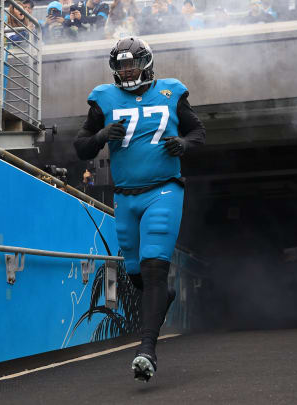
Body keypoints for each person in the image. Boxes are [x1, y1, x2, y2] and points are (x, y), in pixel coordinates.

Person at [73, 37, 205, 382]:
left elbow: (198, 132)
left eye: (133, 65)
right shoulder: (103, 99)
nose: (128, 71)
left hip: (164, 191)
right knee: (135, 274)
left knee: (153, 269)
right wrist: (102, 134)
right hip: (126, 198)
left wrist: (184, 143)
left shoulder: (171, 92)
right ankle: (165, 298)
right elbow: (81, 148)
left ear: (147, 63)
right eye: (122, 66)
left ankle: (147, 349)